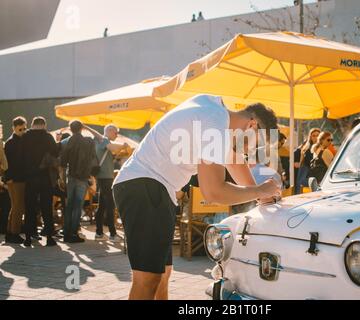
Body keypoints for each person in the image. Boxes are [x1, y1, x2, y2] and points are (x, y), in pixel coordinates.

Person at [112, 94, 280, 300]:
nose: (252, 150)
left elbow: (235, 162)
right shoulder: (215, 122)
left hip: (154, 186)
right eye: (256, 145)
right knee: (148, 278)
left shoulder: (214, 111)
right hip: (145, 184)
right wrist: (260, 191)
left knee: (162, 275)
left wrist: (260, 196)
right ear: (251, 126)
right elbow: (213, 191)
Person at [84, 124, 128, 242]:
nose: (117, 135)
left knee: (102, 206)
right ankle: (113, 234)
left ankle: (99, 233)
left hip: (102, 177)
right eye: (115, 132)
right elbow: (113, 148)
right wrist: (123, 145)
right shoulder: (104, 140)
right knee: (110, 205)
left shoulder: (99, 141)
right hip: (105, 177)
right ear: (108, 131)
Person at [22, 117, 59, 247]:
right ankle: (49, 237)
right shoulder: (48, 137)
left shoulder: (25, 137)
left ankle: (28, 237)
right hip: (45, 177)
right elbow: (55, 152)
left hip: (29, 177)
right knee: (46, 207)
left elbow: (21, 155)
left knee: (29, 208)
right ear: (44, 125)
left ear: (32, 125)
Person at [60, 120, 97, 243]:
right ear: (82, 129)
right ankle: (73, 233)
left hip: (70, 176)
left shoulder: (67, 142)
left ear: (70, 129)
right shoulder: (89, 141)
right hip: (83, 177)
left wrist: (61, 179)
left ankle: (66, 233)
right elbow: (93, 159)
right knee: (77, 206)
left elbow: (63, 163)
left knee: (69, 205)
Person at [4, 117, 27, 243]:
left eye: (24, 128)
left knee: (16, 206)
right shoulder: (11, 142)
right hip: (15, 179)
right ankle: (14, 233)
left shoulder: (18, 140)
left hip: (18, 178)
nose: (23, 131)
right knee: (18, 207)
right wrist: (9, 178)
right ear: (14, 128)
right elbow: (7, 162)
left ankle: (10, 232)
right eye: (20, 129)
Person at [294, 128, 320, 194]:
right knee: (300, 184)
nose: (316, 137)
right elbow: (301, 161)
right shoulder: (306, 147)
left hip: (316, 170)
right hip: (305, 169)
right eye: (314, 135)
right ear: (310, 137)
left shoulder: (321, 147)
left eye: (317, 135)